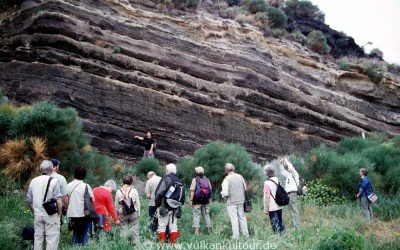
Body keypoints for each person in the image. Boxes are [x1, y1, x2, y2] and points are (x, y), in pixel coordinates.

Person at [27, 160, 62, 250]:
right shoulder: (55, 181)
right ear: (51, 169)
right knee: (52, 239)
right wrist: (59, 213)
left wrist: (34, 211)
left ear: (40, 169)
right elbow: (58, 200)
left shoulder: (33, 181)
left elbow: (29, 200)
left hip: (38, 214)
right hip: (51, 215)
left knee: (38, 239)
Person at [154, 164, 182, 245]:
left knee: (162, 226)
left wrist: (157, 204)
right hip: (175, 207)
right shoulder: (178, 180)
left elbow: (159, 193)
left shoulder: (166, 178)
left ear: (167, 170)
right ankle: (173, 244)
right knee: (173, 226)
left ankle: (162, 245)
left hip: (164, 206)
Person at [66, 166, 94, 246]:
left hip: (72, 214)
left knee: (75, 235)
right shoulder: (86, 186)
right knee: (85, 235)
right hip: (84, 214)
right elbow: (93, 199)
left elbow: (65, 198)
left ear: (74, 174)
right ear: (84, 175)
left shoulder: (68, 185)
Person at [220, 163, 249, 239]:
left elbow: (225, 193)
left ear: (226, 170)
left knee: (234, 219)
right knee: (242, 217)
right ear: (233, 169)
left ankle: (236, 236)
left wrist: (222, 195)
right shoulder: (240, 177)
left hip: (231, 202)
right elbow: (245, 188)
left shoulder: (227, 179)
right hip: (241, 200)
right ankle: (246, 235)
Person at [115, 175, 141, 245]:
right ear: (131, 182)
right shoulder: (134, 191)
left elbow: (116, 205)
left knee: (123, 229)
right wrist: (138, 214)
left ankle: (124, 244)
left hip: (122, 213)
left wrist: (117, 214)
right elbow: (138, 203)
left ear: (123, 182)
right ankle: (135, 244)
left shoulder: (118, 191)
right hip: (133, 213)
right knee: (135, 229)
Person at [190, 166, 212, 235]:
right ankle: (208, 230)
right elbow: (210, 190)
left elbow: (192, 190)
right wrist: (209, 199)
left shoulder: (195, 179)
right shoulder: (207, 180)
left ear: (196, 172)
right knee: (206, 214)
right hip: (206, 200)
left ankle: (196, 231)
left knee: (196, 215)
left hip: (197, 200)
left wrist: (191, 200)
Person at [279, 158, 300, 229]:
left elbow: (291, 168)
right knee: (291, 210)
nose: (290, 168)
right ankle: (295, 225)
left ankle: (297, 226)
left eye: (292, 167)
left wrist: (286, 161)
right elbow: (282, 171)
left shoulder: (295, 174)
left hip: (292, 193)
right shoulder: (288, 175)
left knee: (294, 210)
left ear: (294, 168)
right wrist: (281, 163)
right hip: (288, 194)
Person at [264, 164, 285, 233]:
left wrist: (266, 208)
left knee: (275, 223)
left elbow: (267, 197)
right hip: (279, 205)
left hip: (272, 207)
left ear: (267, 173)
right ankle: (283, 234)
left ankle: (278, 237)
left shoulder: (267, 183)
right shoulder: (277, 180)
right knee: (280, 221)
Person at [51, 159, 69, 224]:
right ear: (57, 166)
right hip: (55, 208)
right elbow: (64, 196)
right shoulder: (61, 178)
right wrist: (67, 206)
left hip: (42, 207)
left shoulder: (41, 177)